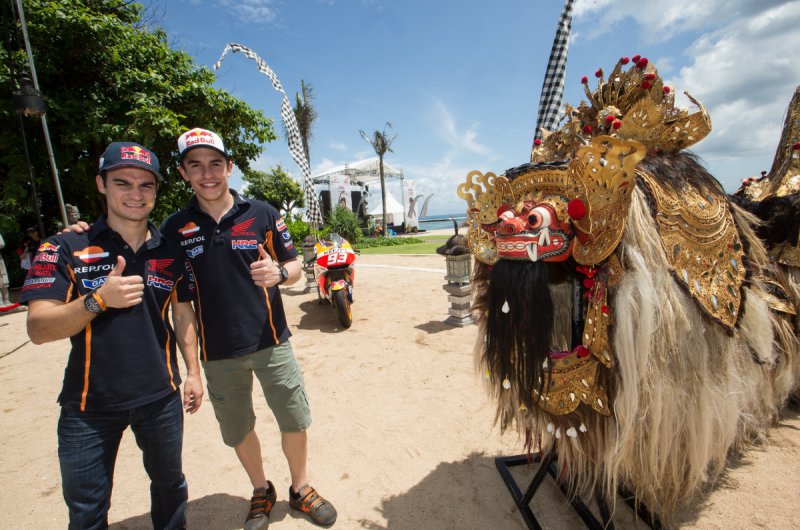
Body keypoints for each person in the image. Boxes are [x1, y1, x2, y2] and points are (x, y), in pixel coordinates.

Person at [161, 128, 337, 529]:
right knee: (237, 428)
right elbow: (181, 308)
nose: (207, 174)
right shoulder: (174, 229)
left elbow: (295, 266)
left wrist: (279, 273)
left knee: (294, 418)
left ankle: (300, 489)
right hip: (218, 354)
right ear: (183, 172)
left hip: (271, 342)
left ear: (229, 167)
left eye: (215, 164)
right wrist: (192, 370)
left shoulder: (262, 213)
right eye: (195, 166)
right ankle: (261, 489)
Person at [22, 141, 203, 530]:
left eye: (146, 184)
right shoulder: (64, 247)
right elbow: (38, 328)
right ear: (102, 184)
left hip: (161, 398)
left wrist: (193, 372)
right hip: (89, 406)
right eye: (123, 182)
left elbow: (183, 312)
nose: (135, 193)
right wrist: (98, 300)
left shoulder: (171, 251)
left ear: (156, 190)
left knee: (170, 488)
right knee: (87, 511)